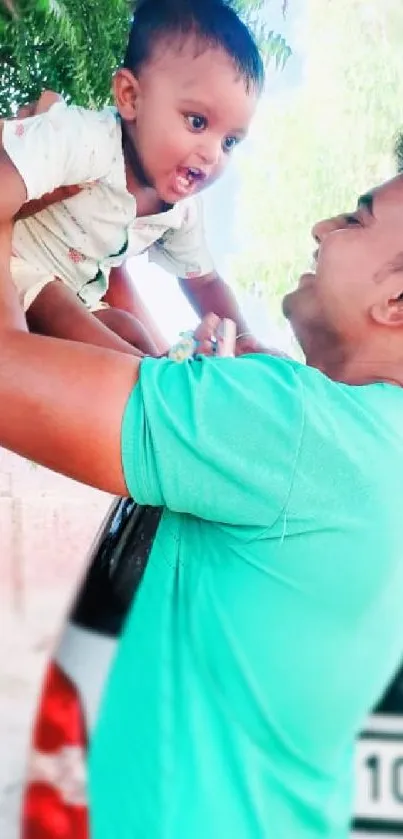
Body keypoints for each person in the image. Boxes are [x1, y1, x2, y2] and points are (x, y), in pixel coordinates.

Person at [2, 171, 403, 838]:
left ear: (397, 298)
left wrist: (11, 201)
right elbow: (139, 362)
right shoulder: (369, 447)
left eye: (356, 219)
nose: (320, 228)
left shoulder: (296, 428)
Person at [0, 0, 265, 357]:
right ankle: (151, 390)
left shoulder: (180, 211)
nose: (213, 154)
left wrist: (247, 341)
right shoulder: (84, 139)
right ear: (130, 97)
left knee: (131, 332)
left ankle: (155, 381)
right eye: (197, 122)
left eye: (230, 141)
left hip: (79, 294)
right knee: (67, 312)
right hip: (20, 262)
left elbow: (205, 282)